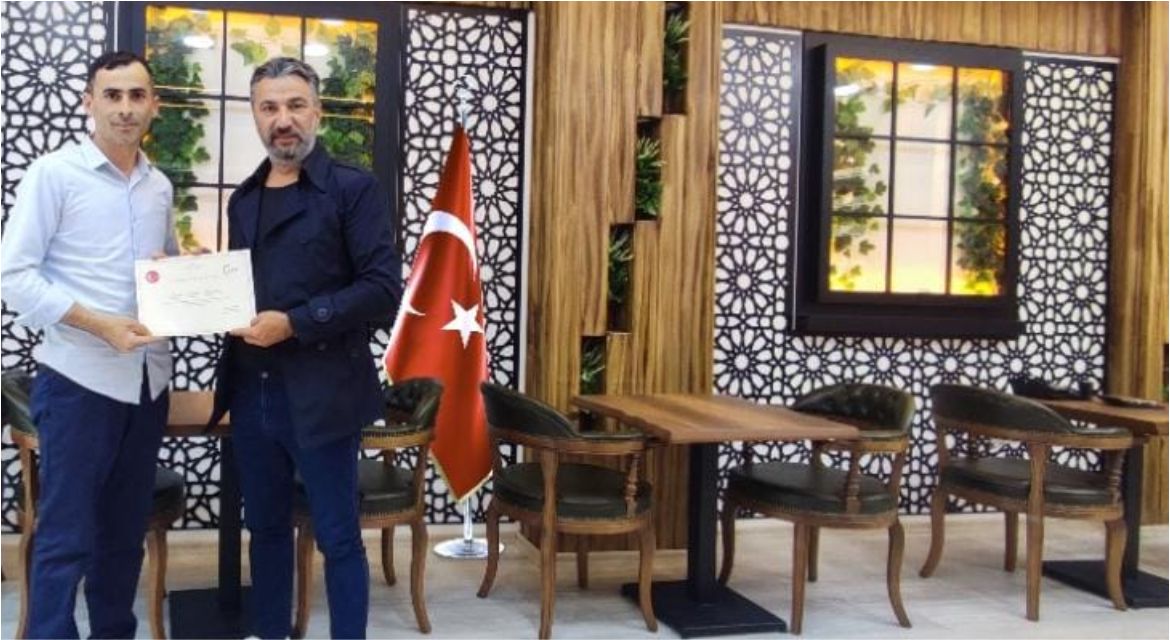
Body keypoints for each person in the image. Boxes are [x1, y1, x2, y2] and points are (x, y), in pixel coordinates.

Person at [209, 57, 402, 639]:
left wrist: (295, 323)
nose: (283, 119)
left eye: (295, 105)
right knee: (265, 530)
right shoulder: (243, 200)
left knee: (338, 538)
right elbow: (242, 290)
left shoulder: (353, 189)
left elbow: (382, 290)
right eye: (269, 107)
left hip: (324, 392)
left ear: (317, 111)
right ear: (255, 115)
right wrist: (191, 290)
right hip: (252, 391)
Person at [0, 51, 176, 638]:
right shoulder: (53, 174)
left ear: (153, 105)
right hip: (79, 382)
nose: (125, 108)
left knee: (123, 538)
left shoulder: (159, 185)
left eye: (137, 96)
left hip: (147, 384)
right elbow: (12, 275)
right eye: (112, 95)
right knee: (66, 538)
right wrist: (100, 325)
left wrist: (180, 279)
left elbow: (166, 271)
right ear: (89, 102)